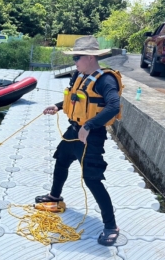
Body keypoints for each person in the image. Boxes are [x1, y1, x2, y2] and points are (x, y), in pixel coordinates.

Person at [34, 36, 123, 246]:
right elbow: (75, 99)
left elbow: (113, 106)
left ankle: (111, 226)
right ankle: (55, 196)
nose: (74, 62)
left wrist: (88, 126)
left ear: (90, 57)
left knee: (92, 179)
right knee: (62, 159)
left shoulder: (105, 80)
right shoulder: (80, 75)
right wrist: (58, 106)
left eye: (77, 57)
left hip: (91, 137)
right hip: (74, 130)